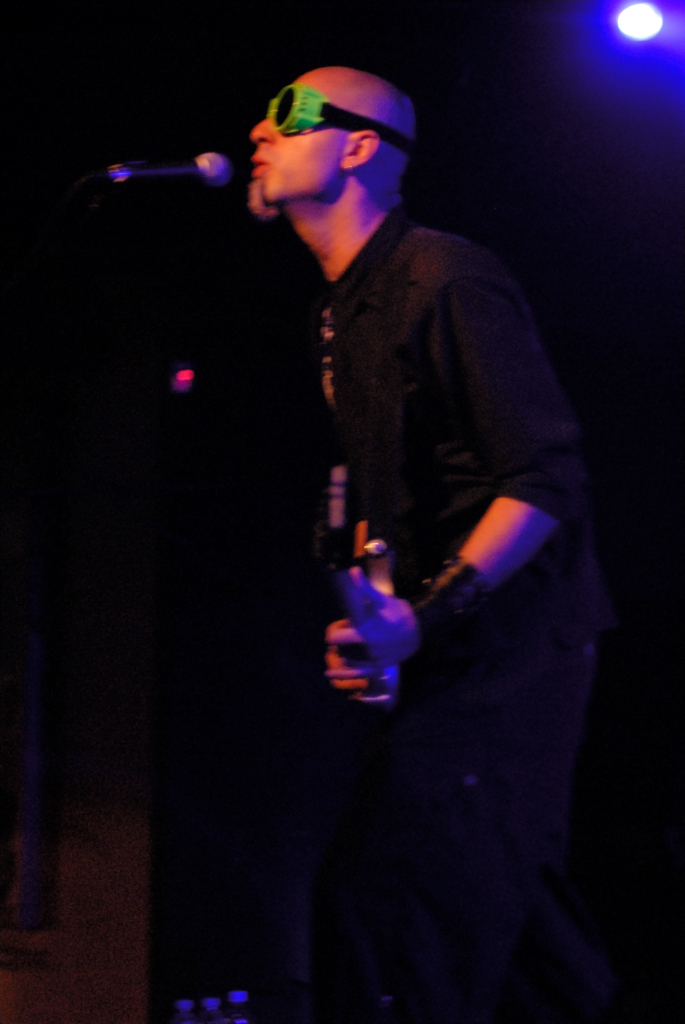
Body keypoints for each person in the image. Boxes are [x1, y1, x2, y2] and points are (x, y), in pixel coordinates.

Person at [249, 67, 617, 1024]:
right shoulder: (339, 310)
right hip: (449, 658)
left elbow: (542, 477)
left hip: (511, 659)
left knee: (391, 913)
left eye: (289, 115)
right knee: (523, 946)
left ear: (359, 146)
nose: (259, 131)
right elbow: (398, 489)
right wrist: (380, 622)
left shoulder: (445, 277)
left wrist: (426, 616)